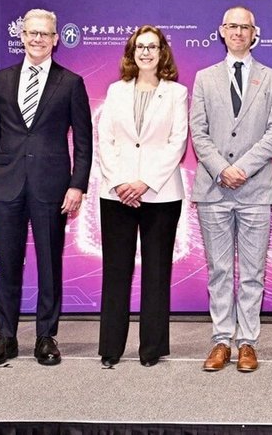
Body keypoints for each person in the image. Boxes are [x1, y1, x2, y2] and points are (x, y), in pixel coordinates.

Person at [0, 8, 93, 367]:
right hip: (6, 184)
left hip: (52, 187)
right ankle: (6, 337)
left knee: (49, 264)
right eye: (32, 33)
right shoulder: (0, 80)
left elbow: (84, 142)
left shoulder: (71, 82)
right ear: (22, 36)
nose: (38, 39)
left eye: (45, 34)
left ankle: (46, 336)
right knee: (7, 264)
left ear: (56, 39)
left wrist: (77, 185)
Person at [189, 5, 272, 373]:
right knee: (218, 270)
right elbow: (198, 132)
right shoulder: (204, 78)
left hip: (255, 189)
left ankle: (247, 342)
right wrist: (222, 169)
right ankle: (221, 340)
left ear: (254, 33)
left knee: (251, 272)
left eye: (245, 27)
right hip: (213, 189)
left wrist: (242, 169)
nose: (238, 32)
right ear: (221, 30)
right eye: (232, 26)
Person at [96, 26, 188, 367]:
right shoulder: (115, 91)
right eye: (140, 47)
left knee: (156, 272)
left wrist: (145, 182)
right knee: (116, 271)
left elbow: (177, 142)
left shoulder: (176, 93)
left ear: (162, 52)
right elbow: (105, 139)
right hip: (116, 194)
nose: (146, 52)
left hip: (161, 194)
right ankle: (111, 348)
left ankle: (151, 348)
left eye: (152, 47)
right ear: (131, 53)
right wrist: (121, 182)